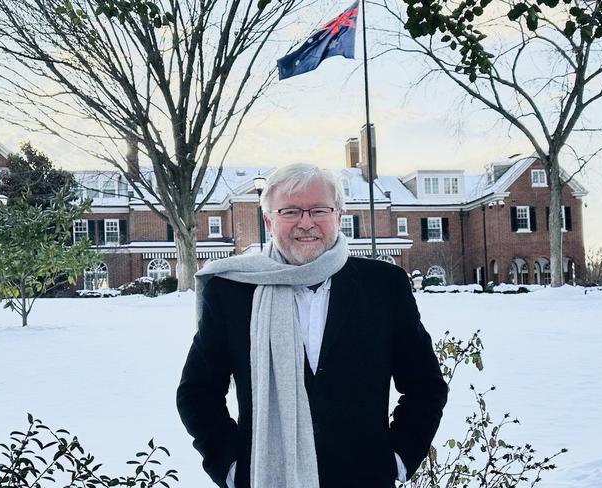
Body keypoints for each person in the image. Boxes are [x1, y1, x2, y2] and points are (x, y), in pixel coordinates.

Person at [177, 163, 448, 488]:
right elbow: (198, 392)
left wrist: (399, 459)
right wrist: (231, 468)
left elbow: (425, 386)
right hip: (266, 477)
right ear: (268, 219)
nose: (306, 223)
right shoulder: (233, 291)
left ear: (339, 215)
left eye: (318, 210)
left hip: (364, 478)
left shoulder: (384, 286)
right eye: (290, 211)